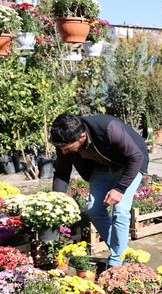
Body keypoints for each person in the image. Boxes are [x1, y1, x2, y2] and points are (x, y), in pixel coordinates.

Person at [49, 113, 149, 267]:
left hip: (131, 163)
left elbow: (135, 157)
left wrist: (120, 189)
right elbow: (62, 172)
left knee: (121, 210)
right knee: (94, 210)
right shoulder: (64, 143)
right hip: (102, 166)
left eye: (68, 148)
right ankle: (122, 251)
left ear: (82, 137)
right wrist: (57, 201)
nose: (63, 152)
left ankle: (116, 263)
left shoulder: (109, 128)